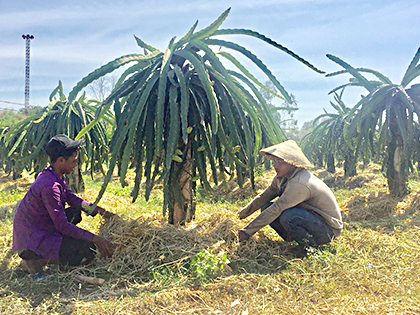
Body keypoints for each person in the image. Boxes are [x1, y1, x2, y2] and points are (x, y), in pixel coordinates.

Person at [12, 134, 115, 278]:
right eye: (73, 161)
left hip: (40, 227)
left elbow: (72, 199)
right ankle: (36, 260)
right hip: (31, 238)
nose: (75, 165)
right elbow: (62, 226)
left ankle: (50, 252)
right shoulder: (50, 186)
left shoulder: (55, 175)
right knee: (88, 250)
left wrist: (100, 211)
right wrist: (95, 239)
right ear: (61, 160)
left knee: (75, 212)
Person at [237, 140, 342, 250]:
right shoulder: (281, 177)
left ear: (292, 163)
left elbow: (277, 208)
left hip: (327, 230)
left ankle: (310, 247)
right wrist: (243, 213)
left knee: (289, 216)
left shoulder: (300, 182)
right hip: (310, 219)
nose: (275, 166)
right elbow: (264, 197)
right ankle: (294, 238)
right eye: (274, 161)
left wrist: (246, 232)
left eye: (280, 162)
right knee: (266, 207)